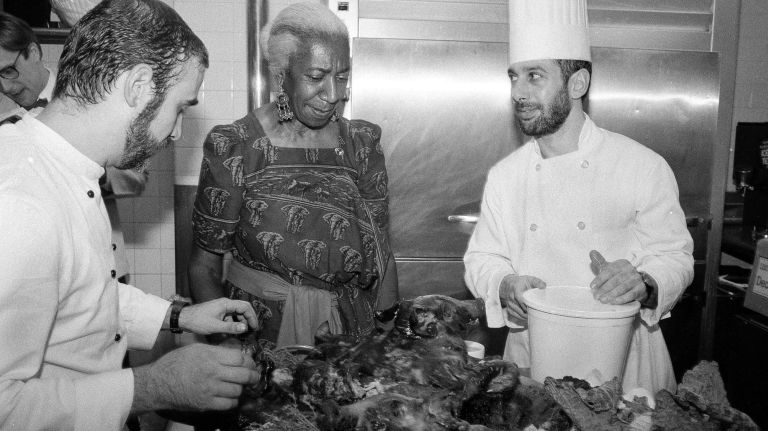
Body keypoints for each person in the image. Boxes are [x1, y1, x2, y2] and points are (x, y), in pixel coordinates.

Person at [0, 1, 261, 430]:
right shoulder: (18, 203)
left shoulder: (69, 169)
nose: (177, 131)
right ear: (138, 85)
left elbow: (82, 295)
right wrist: (151, 387)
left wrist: (179, 316)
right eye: (180, 107)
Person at [463, 0, 694, 395]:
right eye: (514, 77)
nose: (518, 92)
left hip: (623, 363)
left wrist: (644, 282)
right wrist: (504, 284)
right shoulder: (506, 176)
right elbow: (482, 258)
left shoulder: (641, 165)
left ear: (577, 84)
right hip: (534, 359)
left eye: (535, 76)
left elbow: (675, 257)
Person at [188, 2, 398, 348]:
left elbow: (381, 253)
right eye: (316, 77)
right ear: (280, 75)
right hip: (260, 333)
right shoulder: (236, 146)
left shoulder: (361, 144)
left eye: (342, 76)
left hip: (350, 332)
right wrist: (227, 341)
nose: (334, 95)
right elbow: (204, 267)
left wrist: (387, 337)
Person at [0, 11, 147, 284]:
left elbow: (136, 178)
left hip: (102, 272)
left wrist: (78, 165)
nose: (5, 86)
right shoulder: (3, 124)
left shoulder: (93, 99)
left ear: (34, 52)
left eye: (8, 70)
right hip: (30, 279)